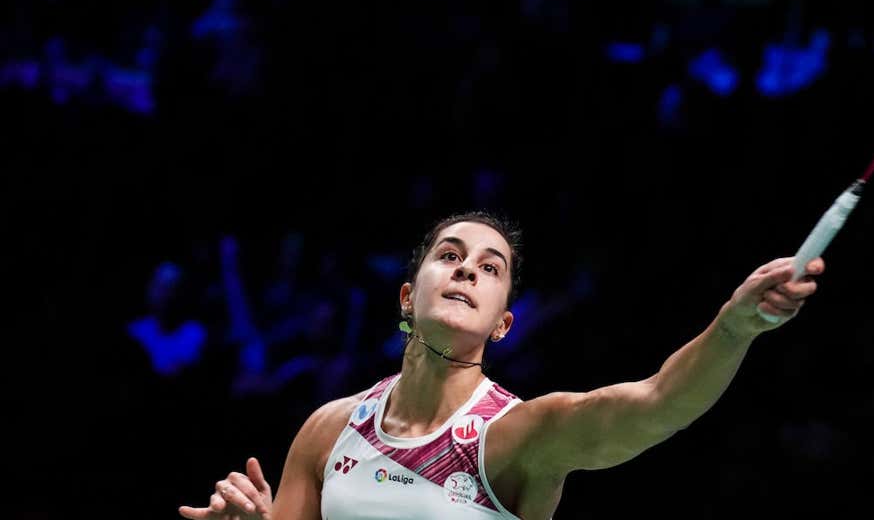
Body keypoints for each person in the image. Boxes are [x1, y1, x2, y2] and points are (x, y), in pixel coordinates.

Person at [179, 211, 825, 519]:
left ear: (501, 324)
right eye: (450, 255)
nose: (467, 268)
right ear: (409, 296)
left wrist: (735, 326)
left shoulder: (515, 439)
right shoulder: (329, 431)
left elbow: (659, 404)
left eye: (491, 269)